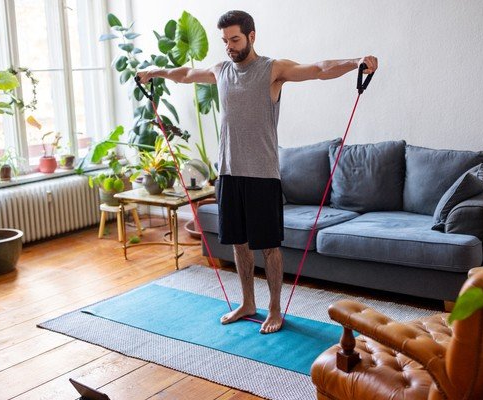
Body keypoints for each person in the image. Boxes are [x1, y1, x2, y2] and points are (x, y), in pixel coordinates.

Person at [137, 10, 378, 334]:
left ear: (251, 36)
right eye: (225, 41)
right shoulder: (221, 70)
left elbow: (319, 69)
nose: (229, 47)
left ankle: (275, 308)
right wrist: (156, 71)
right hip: (229, 174)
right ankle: (248, 302)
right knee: (238, 243)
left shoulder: (272, 70)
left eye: (235, 39)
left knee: (268, 246)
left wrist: (356, 62)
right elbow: (186, 73)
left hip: (263, 175)